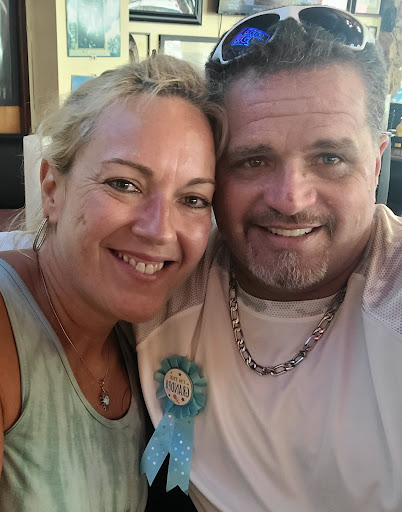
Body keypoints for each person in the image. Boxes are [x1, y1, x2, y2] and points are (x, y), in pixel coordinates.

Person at [135, 7, 402, 512]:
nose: (290, 199)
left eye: (329, 159)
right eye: (253, 160)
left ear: (376, 164)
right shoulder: (159, 270)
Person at [0, 55, 224, 511]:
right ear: (52, 189)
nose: (159, 230)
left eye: (192, 199)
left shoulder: (144, 340)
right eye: (124, 184)